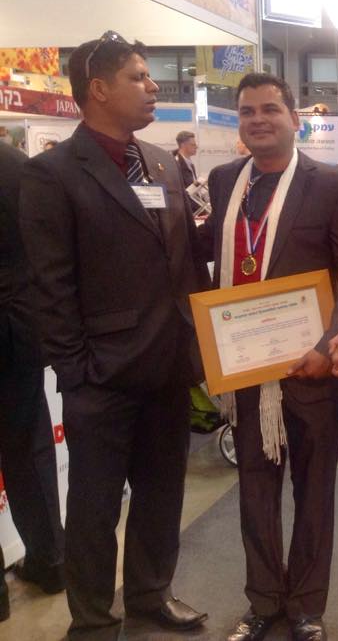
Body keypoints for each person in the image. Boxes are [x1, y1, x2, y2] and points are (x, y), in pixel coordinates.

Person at [18, 32, 211, 640]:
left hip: (169, 367)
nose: (153, 87)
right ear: (98, 89)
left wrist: (201, 344)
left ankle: (151, 595)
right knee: (95, 507)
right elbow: (50, 284)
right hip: (102, 374)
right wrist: (77, 370)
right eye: (138, 77)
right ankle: (94, 620)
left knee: (162, 494)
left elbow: (183, 260)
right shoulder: (52, 174)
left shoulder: (160, 162)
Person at [199, 73, 338, 641]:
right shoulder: (224, 181)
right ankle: (264, 601)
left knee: (314, 491)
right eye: (247, 111)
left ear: (295, 119)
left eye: (270, 109)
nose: (258, 119)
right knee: (255, 490)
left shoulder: (333, 185)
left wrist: (328, 346)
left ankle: (306, 608)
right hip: (246, 368)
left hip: (311, 371)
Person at [0, 141, 66, 613]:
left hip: (18, 321)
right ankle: (51, 560)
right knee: (30, 446)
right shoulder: (17, 163)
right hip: (20, 325)